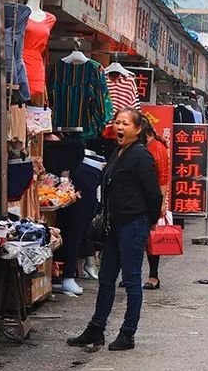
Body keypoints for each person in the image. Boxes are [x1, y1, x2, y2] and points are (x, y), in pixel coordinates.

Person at [68, 108, 162, 351]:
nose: (120, 128)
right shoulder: (117, 152)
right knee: (107, 279)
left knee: (131, 281)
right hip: (114, 226)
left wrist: (148, 221)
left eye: (126, 124)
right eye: (118, 123)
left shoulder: (141, 156)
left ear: (138, 129)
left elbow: (153, 194)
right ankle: (96, 329)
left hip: (133, 226)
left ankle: (127, 333)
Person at [140, 117, 170, 290]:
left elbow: (163, 177)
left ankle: (154, 276)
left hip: (152, 198)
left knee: (152, 239)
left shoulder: (156, 147)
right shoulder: (143, 147)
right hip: (138, 198)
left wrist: (162, 203)